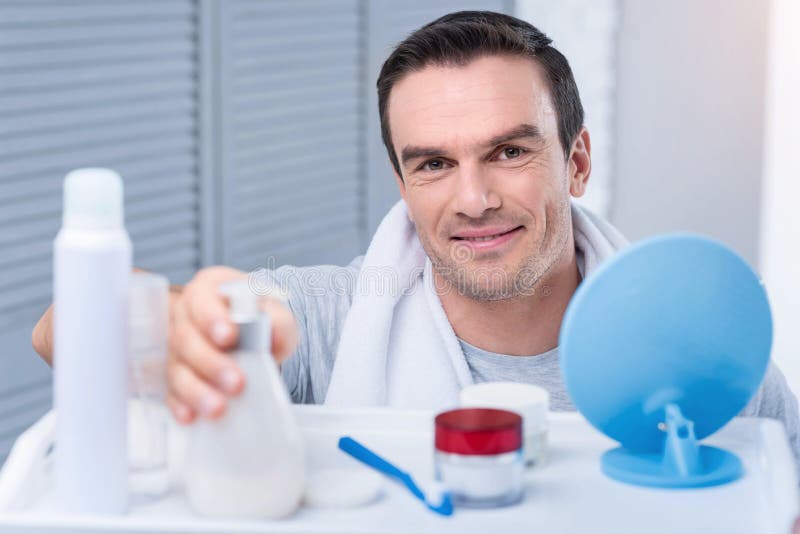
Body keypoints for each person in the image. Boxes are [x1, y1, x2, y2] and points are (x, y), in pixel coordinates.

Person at [31, 11, 800, 468]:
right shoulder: (329, 321)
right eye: (434, 163)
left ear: (577, 161)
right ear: (403, 185)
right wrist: (174, 322)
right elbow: (58, 331)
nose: (473, 199)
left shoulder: (708, 359)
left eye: (509, 151)